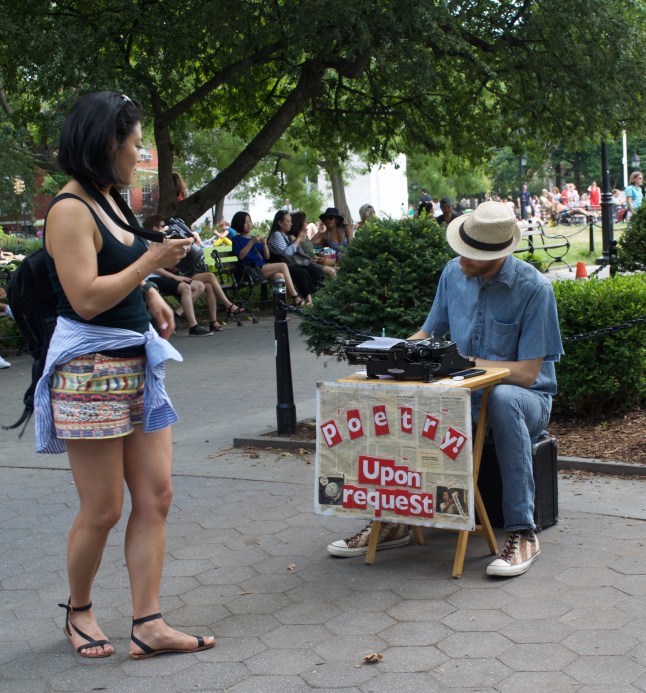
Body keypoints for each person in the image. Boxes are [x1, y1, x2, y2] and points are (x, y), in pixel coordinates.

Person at [36, 92, 215, 659]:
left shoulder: (111, 200)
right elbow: (85, 299)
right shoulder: (69, 210)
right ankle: (80, 610)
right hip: (89, 372)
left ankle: (149, 623)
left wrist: (149, 292)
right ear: (107, 143)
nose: (140, 155)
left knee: (156, 495)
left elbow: (118, 271)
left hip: (137, 363)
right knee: (104, 508)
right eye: (135, 144)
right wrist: (150, 265)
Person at [326, 201, 563, 578]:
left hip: (526, 400)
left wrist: (466, 366)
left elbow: (530, 374)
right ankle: (392, 519)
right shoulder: (453, 273)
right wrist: (396, 356)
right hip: (463, 394)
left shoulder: (533, 289)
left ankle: (523, 532)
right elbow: (428, 332)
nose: (460, 259)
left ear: (495, 256)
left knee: (502, 399)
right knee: (400, 398)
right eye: (461, 250)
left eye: (470, 256)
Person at [142, 216, 211, 336]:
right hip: (152, 278)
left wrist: (185, 250)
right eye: (163, 226)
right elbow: (154, 267)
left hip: (164, 276)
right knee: (186, 288)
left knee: (200, 286)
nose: (166, 228)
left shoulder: (162, 241)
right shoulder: (146, 243)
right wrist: (175, 277)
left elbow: (171, 260)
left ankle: (175, 315)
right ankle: (194, 326)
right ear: (155, 228)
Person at [230, 211, 305, 304]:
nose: (249, 224)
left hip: (260, 269)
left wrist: (264, 245)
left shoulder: (254, 238)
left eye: (250, 221)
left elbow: (267, 256)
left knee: (280, 276)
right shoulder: (236, 239)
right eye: (246, 222)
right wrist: (251, 242)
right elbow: (241, 256)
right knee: (283, 266)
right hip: (249, 271)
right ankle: (295, 296)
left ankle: (280, 304)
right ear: (239, 224)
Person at [267, 210, 323, 304]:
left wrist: (298, 241)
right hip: (280, 264)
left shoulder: (285, 235)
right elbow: (287, 253)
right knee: (302, 272)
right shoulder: (276, 235)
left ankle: (315, 297)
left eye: (291, 221)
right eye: (288, 221)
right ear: (280, 223)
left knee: (315, 270)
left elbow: (300, 252)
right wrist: (299, 239)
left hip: (291, 263)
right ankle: (309, 300)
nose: (291, 224)